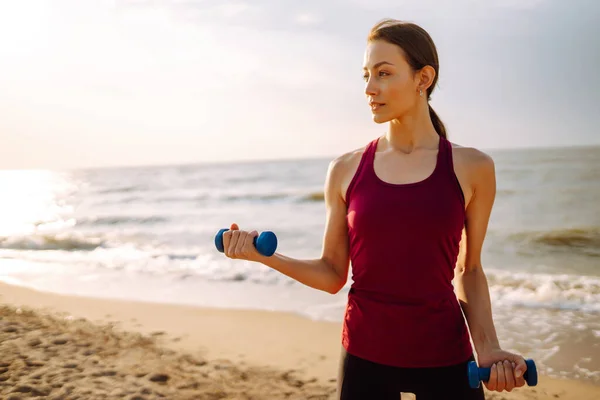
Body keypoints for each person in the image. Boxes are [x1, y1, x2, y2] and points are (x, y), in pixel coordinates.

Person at [221, 18, 528, 399]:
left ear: (423, 78)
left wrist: (488, 348)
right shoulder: (345, 169)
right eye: (366, 75)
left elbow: (470, 268)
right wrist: (263, 257)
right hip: (365, 357)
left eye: (383, 74)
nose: (369, 88)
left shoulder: (473, 168)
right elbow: (333, 273)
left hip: (445, 356)